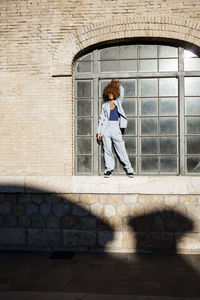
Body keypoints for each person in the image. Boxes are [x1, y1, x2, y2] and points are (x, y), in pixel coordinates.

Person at [96, 79, 134, 178]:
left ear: (115, 93)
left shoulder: (118, 102)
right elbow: (101, 119)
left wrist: (116, 84)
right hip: (105, 129)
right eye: (109, 93)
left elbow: (122, 90)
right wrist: (99, 132)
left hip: (115, 127)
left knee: (121, 148)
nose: (110, 95)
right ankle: (109, 169)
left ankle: (129, 168)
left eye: (112, 93)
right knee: (107, 149)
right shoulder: (104, 106)